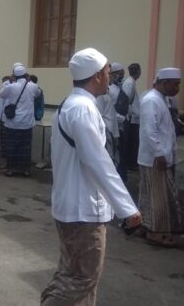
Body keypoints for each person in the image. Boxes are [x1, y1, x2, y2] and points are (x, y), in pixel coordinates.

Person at [41, 48, 142, 306]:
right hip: (82, 211)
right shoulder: (83, 109)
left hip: (73, 206)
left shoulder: (71, 104)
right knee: (82, 279)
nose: (111, 77)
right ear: (97, 76)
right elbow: (99, 163)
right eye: (109, 73)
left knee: (72, 274)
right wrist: (127, 208)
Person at [137, 67, 184, 247]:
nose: (177, 88)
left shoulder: (162, 100)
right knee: (158, 199)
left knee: (152, 196)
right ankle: (156, 233)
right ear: (163, 83)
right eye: (174, 84)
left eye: (178, 84)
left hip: (161, 157)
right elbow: (149, 130)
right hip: (155, 159)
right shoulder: (151, 100)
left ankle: (145, 226)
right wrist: (160, 154)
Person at [0, 64, 40, 177]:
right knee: (25, 147)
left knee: (11, 146)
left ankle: (10, 169)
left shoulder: (11, 87)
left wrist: (10, 83)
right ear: (26, 75)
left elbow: (1, 95)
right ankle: (25, 169)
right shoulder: (33, 86)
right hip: (27, 123)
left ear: (14, 76)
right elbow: (38, 94)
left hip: (12, 123)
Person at [122, 63, 141, 170]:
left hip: (134, 117)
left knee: (134, 141)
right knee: (132, 142)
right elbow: (126, 101)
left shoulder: (131, 82)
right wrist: (132, 113)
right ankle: (131, 163)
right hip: (132, 118)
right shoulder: (129, 83)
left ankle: (131, 162)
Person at [0, 75, 11, 169]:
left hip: (2, 118)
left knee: (4, 141)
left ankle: (6, 161)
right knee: (5, 141)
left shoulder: (5, 89)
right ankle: (6, 160)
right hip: (5, 118)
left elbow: (1, 105)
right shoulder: (9, 88)